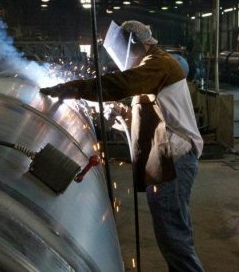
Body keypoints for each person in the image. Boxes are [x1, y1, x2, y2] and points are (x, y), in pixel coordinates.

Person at [40, 20, 205, 272]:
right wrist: (117, 112)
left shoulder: (158, 64)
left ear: (135, 45)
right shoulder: (151, 67)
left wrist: (73, 88)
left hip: (174, 158)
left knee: (175, 239)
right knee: (172, 238)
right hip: (166, 158)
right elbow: (153, 112)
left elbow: (118, 84)